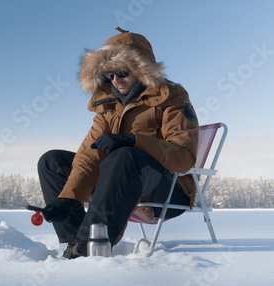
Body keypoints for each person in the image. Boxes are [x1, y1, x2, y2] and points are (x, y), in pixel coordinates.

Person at [37, 27, 199, 259]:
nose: (115, 80)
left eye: (122, 72)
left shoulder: (171, 97)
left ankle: (88, 246)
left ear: (140, 68)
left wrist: (134, 141)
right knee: (52, 161)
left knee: (125, 155)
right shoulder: (108, 105)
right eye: (108, 75)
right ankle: (75, 241)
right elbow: (88, 157)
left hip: (169, 188)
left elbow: (183, 157)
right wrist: (68, 198)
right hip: (118, 181)